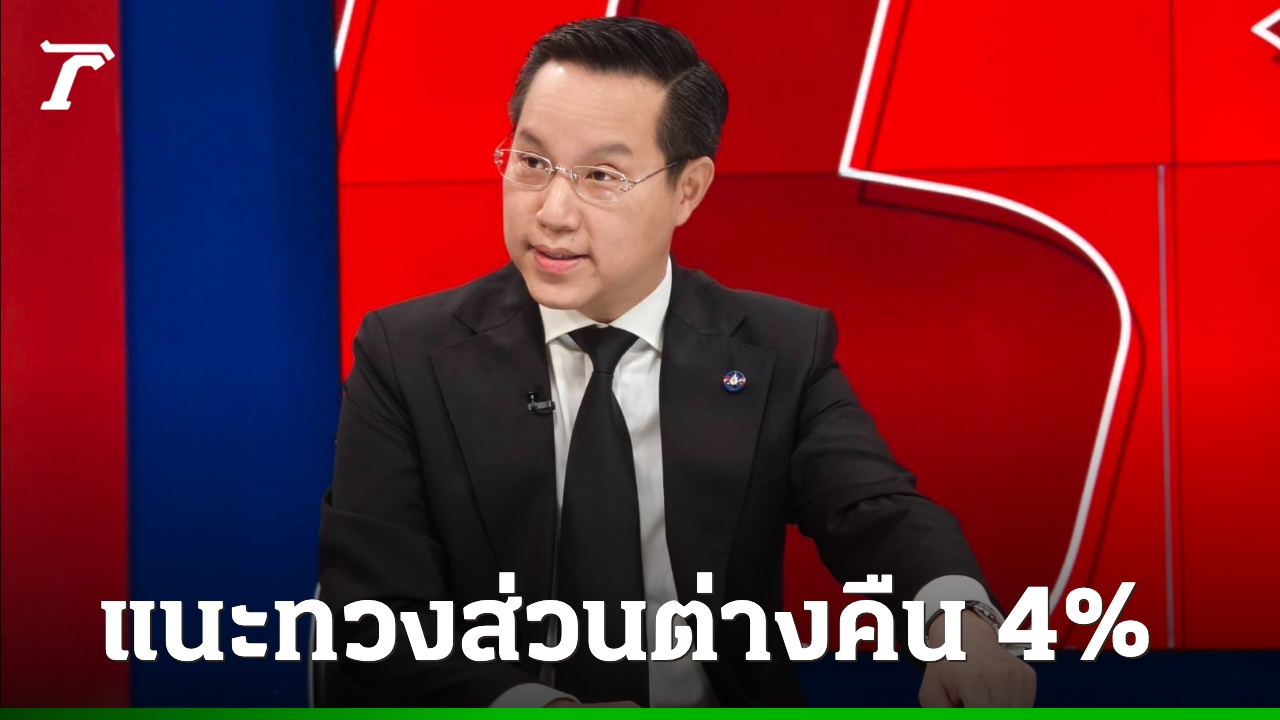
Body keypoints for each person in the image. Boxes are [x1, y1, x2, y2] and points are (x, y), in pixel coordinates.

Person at [318, 16, 1035, 708]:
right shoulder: (407, 355)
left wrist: (961, 627)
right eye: (533, 163)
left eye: (602, 175)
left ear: (687, 190)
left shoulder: (779, 349)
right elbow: (371, 615)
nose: (553, 212)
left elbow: (874, 512)